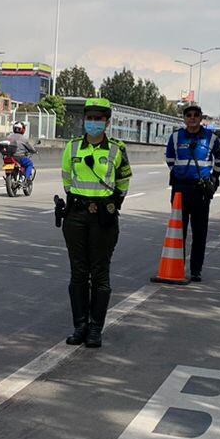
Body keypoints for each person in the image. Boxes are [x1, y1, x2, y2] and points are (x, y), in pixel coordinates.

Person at [61, 98, 132, 348]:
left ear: (107, 122)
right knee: (78, 273)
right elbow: (67, 178)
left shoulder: (116, 149)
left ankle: (95, 329)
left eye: (99, 119)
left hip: (104, 218)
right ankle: (80, 326)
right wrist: (80, 200)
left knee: (100, 274)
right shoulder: (71, 148)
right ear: (84, 120)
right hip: (76, 216)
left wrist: (114, 203)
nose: (93, 123)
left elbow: (124, 178)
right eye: (90, 118)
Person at [165, 104, 220, 281]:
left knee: (199, 232)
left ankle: (196, 270)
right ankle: (177, 266)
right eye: (188, 115)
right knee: (178, 230)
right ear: (184, 118)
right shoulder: (176, 137)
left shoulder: (211, 138)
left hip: (200, 190)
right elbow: (169, 158)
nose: (192, 118)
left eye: (195, 115)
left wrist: (213, 178)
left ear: (201, 118)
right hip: (180, 189)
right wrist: (179, 173)